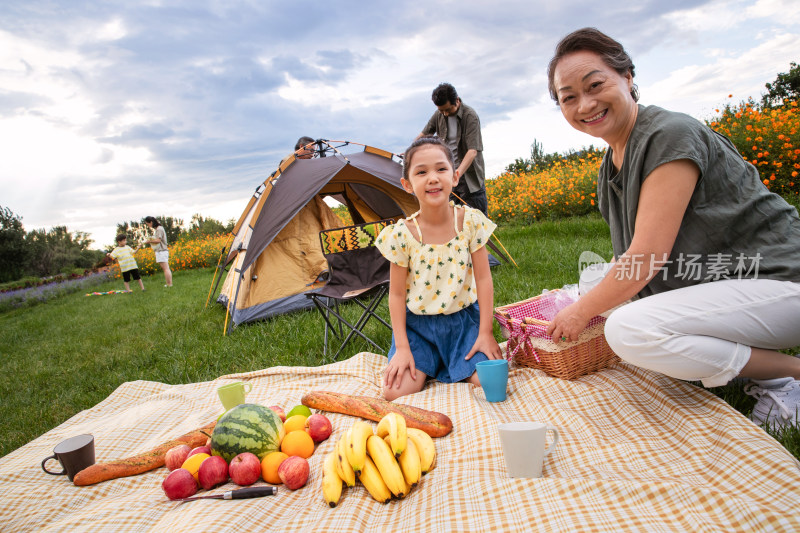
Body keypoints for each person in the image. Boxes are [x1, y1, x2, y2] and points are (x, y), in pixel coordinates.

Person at [544, 27, 800, 429]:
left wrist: (581, 313)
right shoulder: (610, 166)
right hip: (734, 284)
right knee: (619, 312)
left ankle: (786, 376)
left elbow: (645, 256)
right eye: (569, 97)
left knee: (629, 329)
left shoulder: (668, 135)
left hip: (781, 279)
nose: (586, 104)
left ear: (627, 77)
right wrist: (583, 296)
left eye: (595, 85)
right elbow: (627, 256)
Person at [375, 137, 503, 401]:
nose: (432, 178)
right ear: (407, 185)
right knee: (393, 392)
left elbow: (483, 279)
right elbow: (397, 295)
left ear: (455, 176)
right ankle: (428, 361)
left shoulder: (470, 223)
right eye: (421, 172)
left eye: (441, 169)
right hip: (417, 330)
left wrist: (486, 333)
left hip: (464, 324)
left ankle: (452, 362)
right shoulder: (401, 235)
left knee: (488, 380)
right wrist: (401, 348)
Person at [417, 83, 488, 215]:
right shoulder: (439, 114)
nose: (445, 113)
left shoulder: (470, 116)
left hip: (468, 178)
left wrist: (457, 175)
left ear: (457, 100)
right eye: (441, 110)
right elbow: (425, 134)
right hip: (447, 175)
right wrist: (411, 151)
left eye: (448, 110)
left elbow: (472, 151)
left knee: (478, 221)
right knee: (451, 219)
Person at [143, 216, 173, 287]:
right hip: (161, 251)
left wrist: (149, 241)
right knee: (165, 268)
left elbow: (158, 240)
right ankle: (169, 283)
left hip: (162, 251)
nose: (148, 226)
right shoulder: (159, 229)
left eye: (148, 224)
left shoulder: (159, 229)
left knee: (165, 268)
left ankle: (169, 284)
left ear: (151, 222)